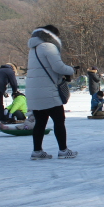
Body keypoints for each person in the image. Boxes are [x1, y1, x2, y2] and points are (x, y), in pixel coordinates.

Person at [25, 25, 78, 159]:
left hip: (34, 92)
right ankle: (63, 150)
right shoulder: (48, 46)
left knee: (40, 122)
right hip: (48, 91)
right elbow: (58, 67)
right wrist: (71, 70)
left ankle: (37, 151)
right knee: (59, 120)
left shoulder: (34, 48)